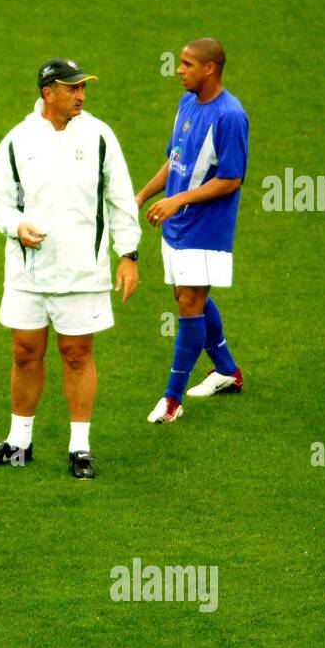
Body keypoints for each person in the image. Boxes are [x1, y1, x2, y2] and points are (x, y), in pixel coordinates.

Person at [0, 59, 140, 480]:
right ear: (49, 93)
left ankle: (79, 447)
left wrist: (129, 254)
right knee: (24, 352)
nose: (81, 95)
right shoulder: (18, 140)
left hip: (84, 272)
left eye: (83, 88)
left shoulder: (101, 136)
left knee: (77, 354)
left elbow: (120, 198)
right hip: (28, 274)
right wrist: (16, 225)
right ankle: (18, 443)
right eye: (72, 88)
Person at [134, 38, 248, 423]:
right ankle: (227, 371)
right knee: (185, 297)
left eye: (186, 64)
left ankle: (172, 399)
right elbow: (175, 159)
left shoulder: (230, 116)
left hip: (206, 229)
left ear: (210, 68)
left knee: (188, 304)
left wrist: (178, 201)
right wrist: (142, 195)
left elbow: (231, 179)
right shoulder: (187, 103)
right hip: (177, 225)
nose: (178, 70)